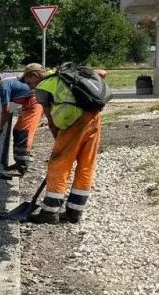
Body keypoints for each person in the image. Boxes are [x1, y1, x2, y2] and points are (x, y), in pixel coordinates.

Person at [27, 67, 109, 225]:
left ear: (36, 75)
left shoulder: (44, 87)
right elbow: (103, 72)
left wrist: (59, 142)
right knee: (86, 165)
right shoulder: (66, 76)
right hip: (95, 117)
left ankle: (49, 212)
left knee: (59, 164)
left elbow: (51, 120)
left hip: (74, 121)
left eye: (28, 81)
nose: (29, 85)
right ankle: (74, 212)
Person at [0, 64, 46, 177]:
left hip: (34, 101)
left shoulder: (3, 87)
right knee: (17, 131)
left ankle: (22, 167)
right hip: (28, 102)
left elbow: (5, 111)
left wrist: (1, 127)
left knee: (24, 133)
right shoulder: (5, 78)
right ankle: (18, 163)